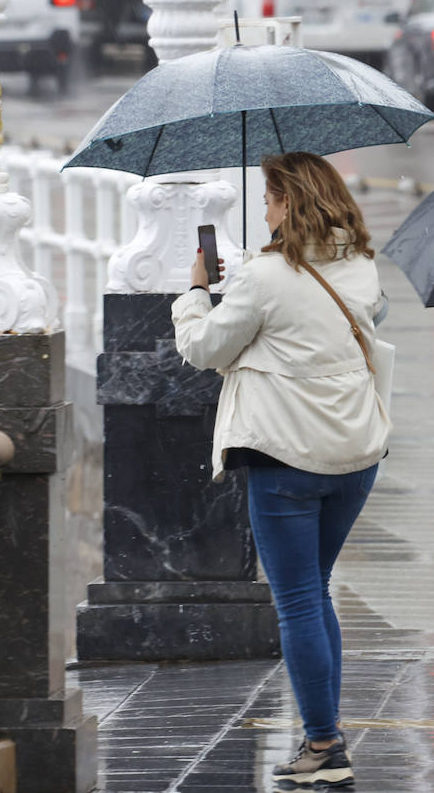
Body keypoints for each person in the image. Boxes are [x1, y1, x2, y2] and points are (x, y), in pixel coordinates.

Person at [172, 151, 389, 788]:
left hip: (286, 459)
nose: (263, 211)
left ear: (288, 203)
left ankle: (323, 744)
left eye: (268, 200)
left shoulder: (264, 278)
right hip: (354, 456)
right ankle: (326, 737)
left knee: (297, 600)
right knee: (314, 592)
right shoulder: (362, 267)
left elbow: (204, 349)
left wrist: (195, 291)